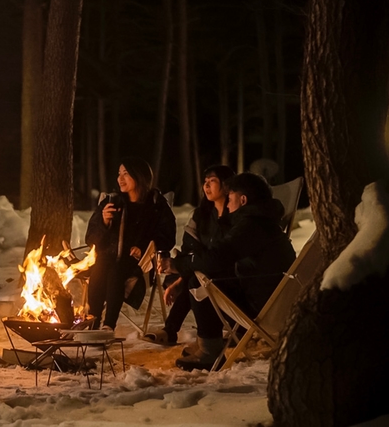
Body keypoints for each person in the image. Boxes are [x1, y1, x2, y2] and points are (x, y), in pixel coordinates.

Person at [159, 172, 296, 371]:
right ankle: (207, 342)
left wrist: (177, 265)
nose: (228, 204)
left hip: (260, 306)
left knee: (201, 280)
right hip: (270, 300)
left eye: (230, 198)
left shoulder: (251, 226)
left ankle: (209, 352)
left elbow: (215, 258)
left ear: (243, 200)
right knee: (204, 273)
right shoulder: (262, 222)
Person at [145, 165, 235, 345]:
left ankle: (177, 332)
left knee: (196, 278)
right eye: (205, 182)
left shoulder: (235, 216)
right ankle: (170, 330)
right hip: (204, 277)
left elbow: (217, 258)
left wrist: (181, 276)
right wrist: (180, 280)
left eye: (213, 181)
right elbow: (190, 250)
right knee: (194, 276)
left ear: (226, 186)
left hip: (228, 285)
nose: (207, 186)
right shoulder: (201, 216)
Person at [84, 157, 176, 332]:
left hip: (141, 265)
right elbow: (90, 238)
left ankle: (108, 325)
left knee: (116, 270)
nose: (120, 179)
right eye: (119, 174)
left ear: (139, 176)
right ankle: (93, 322)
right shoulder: (112, 201)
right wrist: (104, 222)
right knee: (102, 266)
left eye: (126, 174)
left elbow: (168, 236)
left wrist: (144, 247)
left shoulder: (156, 205)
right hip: (108, 259)